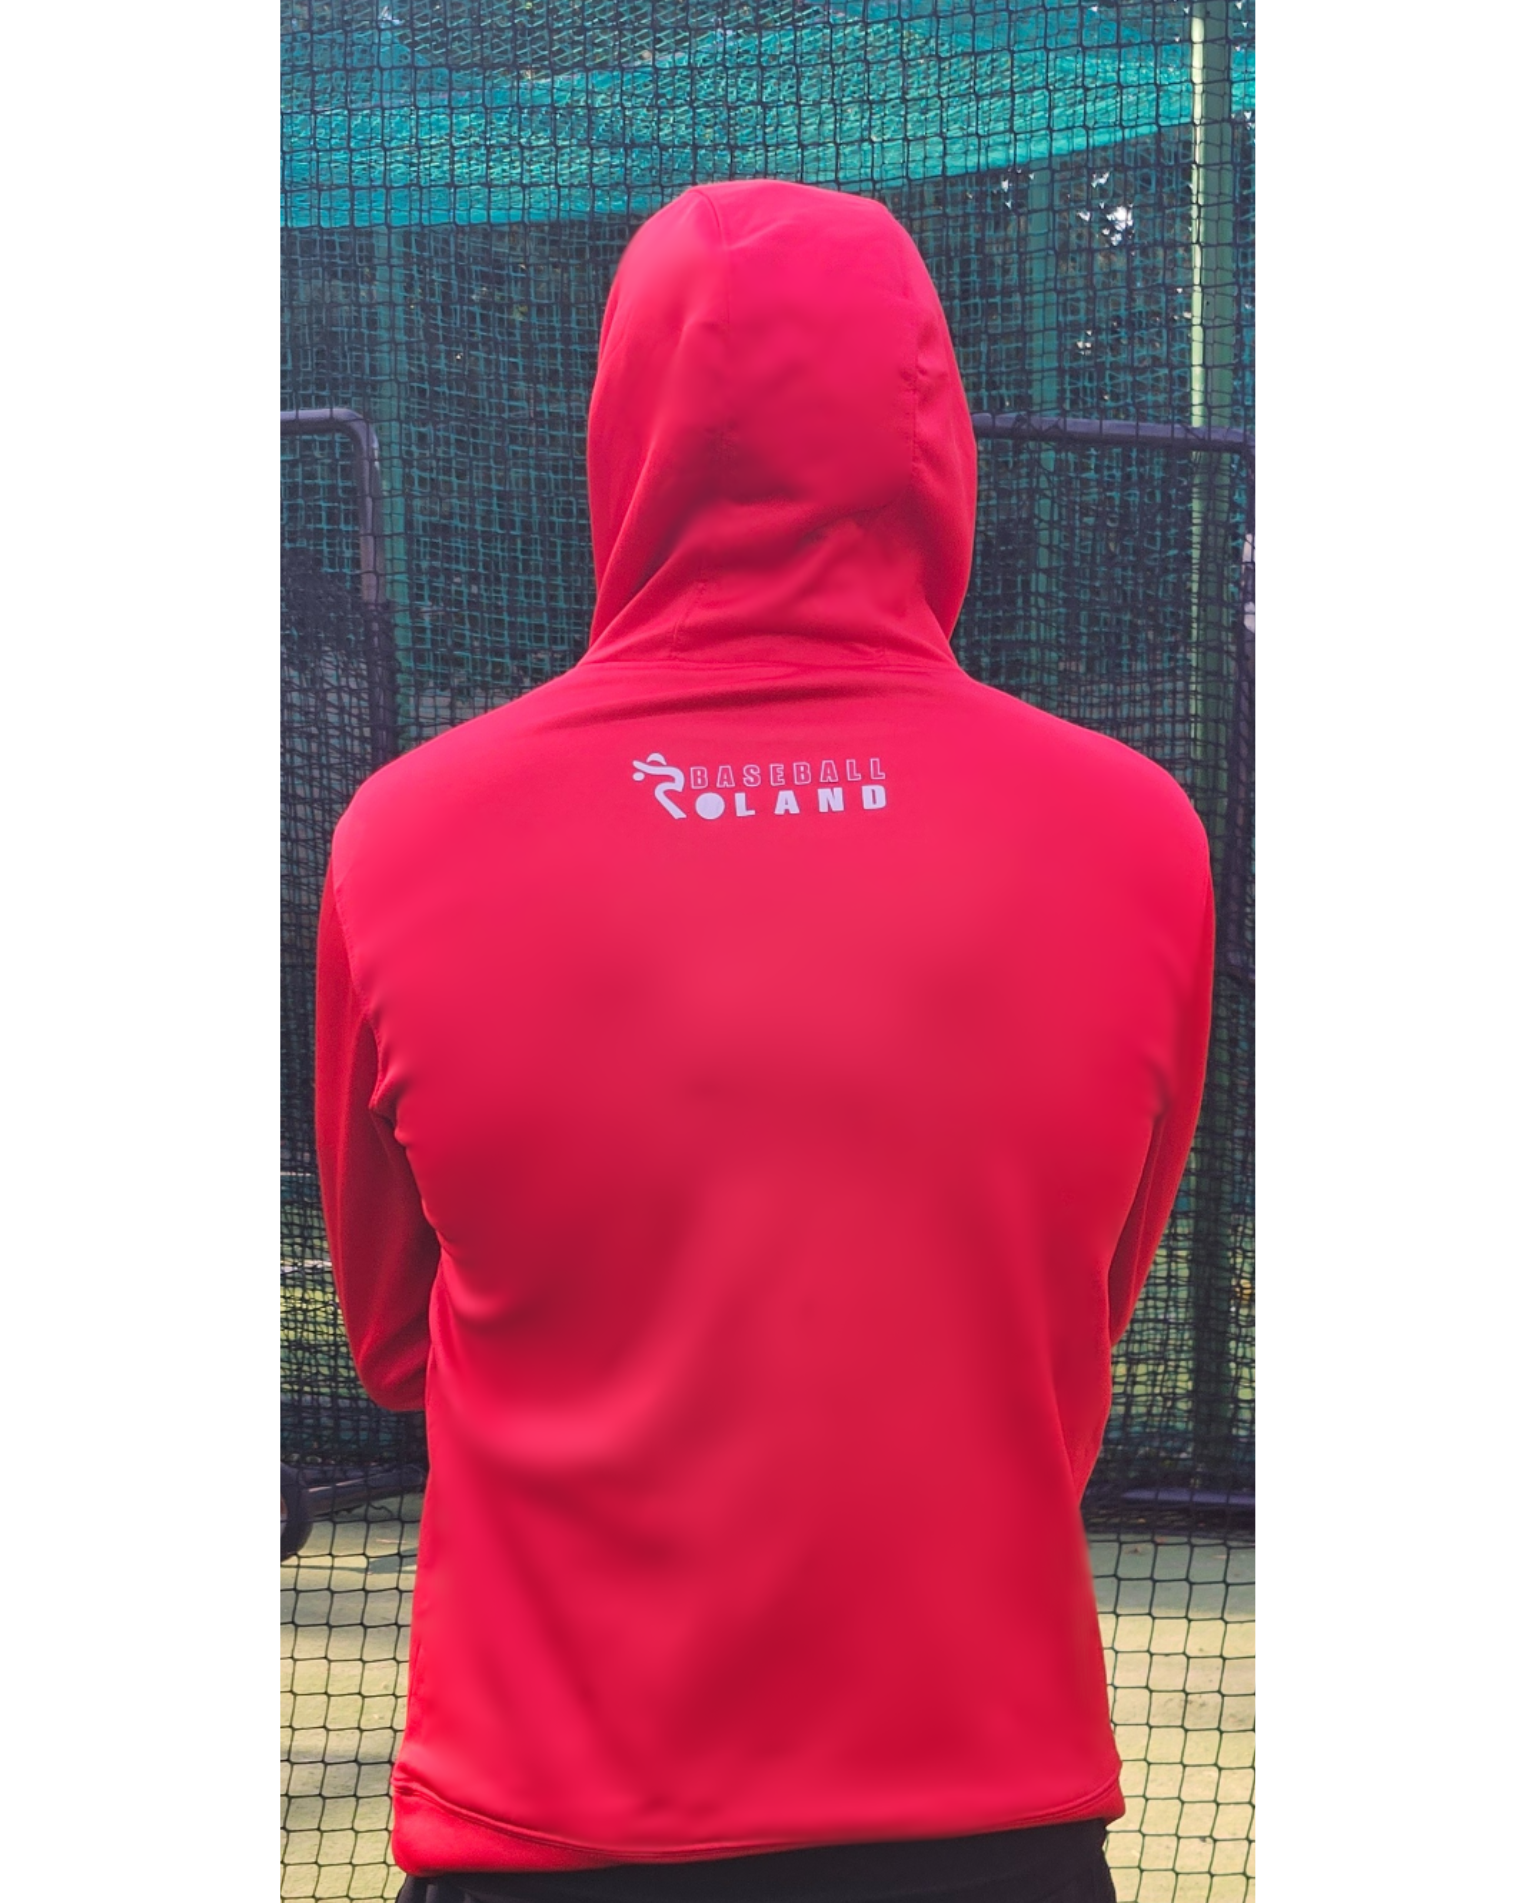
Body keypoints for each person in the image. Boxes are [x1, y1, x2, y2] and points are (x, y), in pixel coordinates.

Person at [315, 179, 1214, 1903]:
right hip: (989, 1817)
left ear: (619, 432)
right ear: (932, 433)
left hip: (548, 1820)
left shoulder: (405, 837)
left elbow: (398, 1339)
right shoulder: (1135, 835)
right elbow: (1070, 1317)